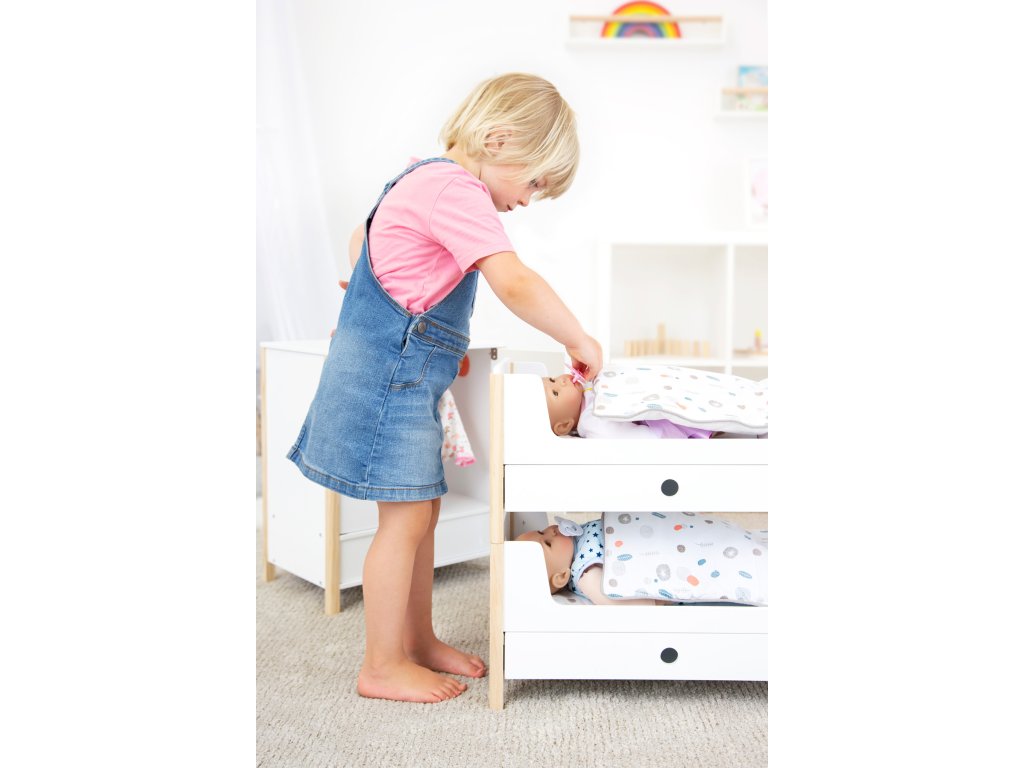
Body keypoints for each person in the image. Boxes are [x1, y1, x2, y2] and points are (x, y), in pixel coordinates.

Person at [287, 73, 603, 704]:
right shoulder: (457, 190)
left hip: (403, 374)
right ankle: (381, 664)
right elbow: (513, 281)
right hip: (387, 381)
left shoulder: (419, 178)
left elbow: (364, 240)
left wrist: (421, 329)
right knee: (404, 521)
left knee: (421, 512)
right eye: (535, 182)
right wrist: (577, 338)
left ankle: (418, 639)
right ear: (498, 140)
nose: (531, 200)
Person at [516, 520, 659, 606]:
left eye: (541, 532)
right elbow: (612, 601)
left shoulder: (576, 539)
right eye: (549, 543)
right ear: (562, 576)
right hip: (653, 557)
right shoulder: (585, 573)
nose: (551, 532)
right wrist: (656, 602)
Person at [541, 372, 716, 439]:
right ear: (564, 425)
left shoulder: (584, 392)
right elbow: (633, 439)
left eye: (552, 379)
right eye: (556, 393)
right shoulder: (592, 422)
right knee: (704, 418)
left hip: (664, 389)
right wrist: (658, 434)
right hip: (665, 419)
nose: (561, 381)